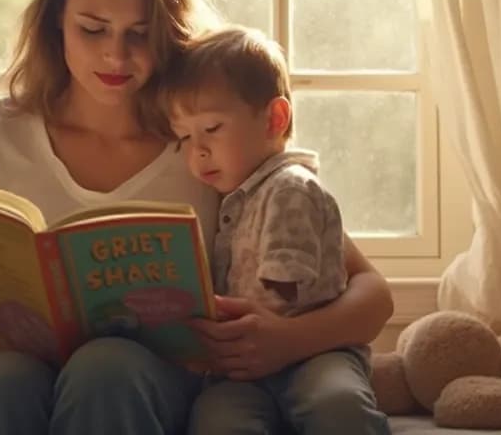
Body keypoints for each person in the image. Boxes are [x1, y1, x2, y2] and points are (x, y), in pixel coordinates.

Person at [0, 0, 395, 435]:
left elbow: (372, 291)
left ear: (169, 33)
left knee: (109, 366)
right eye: (93, 29)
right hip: (2, 380)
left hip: (149, 385)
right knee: (6, 381)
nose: (116, 53)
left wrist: (286, 341)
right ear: (55, 22)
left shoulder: (205, 142)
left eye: (139, 33)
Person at [161, 25, 389, 434]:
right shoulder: (225, 192)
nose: (198, 150)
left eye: (212, 129)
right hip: (242, 368)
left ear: (275, 118)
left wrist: (272, 335)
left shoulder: (291, 188)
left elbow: (286, 285)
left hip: (317, 352)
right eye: (183, 139)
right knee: (218, 421)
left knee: (338, 403)